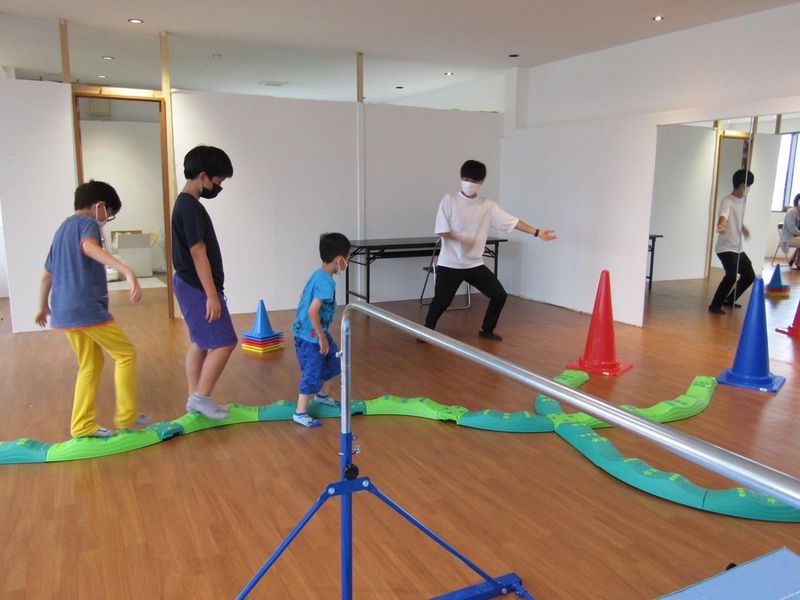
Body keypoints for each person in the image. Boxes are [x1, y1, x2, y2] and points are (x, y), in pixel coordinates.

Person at [35, 180, 147, 438]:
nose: (106, 219)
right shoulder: (88, 223)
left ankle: (82, 425)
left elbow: (46, 274)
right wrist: (127, 271)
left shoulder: (61, 230)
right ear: (100, 206)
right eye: (109, 213)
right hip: (85, 308)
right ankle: (127, 415)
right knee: (125, 353)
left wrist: (42, 306)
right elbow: (88, 247)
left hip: (64, 311)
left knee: (91, 364)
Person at [422, 159, 556, 341]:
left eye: (475, 181)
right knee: (441, 302)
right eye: (467, 179)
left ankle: (486, 330)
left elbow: (512, 221)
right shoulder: (449, 201)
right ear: (461, 178)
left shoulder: (487, 205)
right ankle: (425, 333)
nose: (470, 183)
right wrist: (460, 239)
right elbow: (442, 230)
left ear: (481, 182)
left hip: (474, 264)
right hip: (450, 264)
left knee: (499, 295)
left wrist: (537, 232)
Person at [172, 145, 237, 419]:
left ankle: (194, 399)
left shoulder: (185, 204)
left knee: (199, 342)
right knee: (225, 342)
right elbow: (198, 252)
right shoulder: (190, 208)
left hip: (188, 284)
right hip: (197, 287)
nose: (218, 188)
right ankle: (201, 397)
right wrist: (211, 295)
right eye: (218, 181)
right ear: (203, 176)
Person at [291, 233, 350, 428]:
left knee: (334, 359)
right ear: (339, 260)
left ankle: (322, 396)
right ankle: (300, 412)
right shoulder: (326, 282)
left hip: (312, 331)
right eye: (348, 258)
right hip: (311, 336)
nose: (347, 262)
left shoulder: (318, 274)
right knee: (313, 370)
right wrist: (321, 336)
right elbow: (312, 311)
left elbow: (303, 295)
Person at [708, 169, 756, 314]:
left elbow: (737, 219)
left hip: (737, 248)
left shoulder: (742, 201)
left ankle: (730, 300)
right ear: (741, 186)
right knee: (731, 276)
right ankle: (715, 305)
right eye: (748, 186)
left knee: (749, 275)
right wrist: (721, 225)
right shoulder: (727, 201)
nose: (748, 189)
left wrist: (743, 228)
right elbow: (724, 215)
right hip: (725, 248)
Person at [781, 194, 800, 269]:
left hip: (794, 236)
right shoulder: (792, 212)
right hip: (788, 238)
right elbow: (791, 228)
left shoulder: (798, 212)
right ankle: (797, 262)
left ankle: (794, 260)